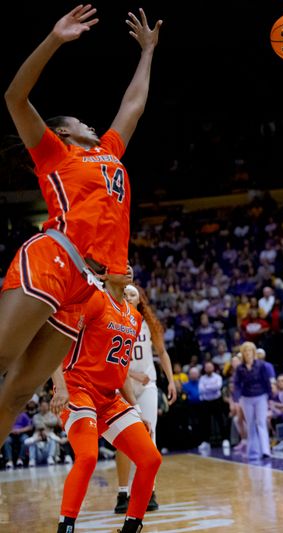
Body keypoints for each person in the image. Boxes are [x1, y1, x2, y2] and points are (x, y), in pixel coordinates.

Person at [0, 5, 161, 441]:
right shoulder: (56, 154)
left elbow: (134, 104)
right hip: (56, 257)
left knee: (16, 396)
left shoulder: (108, 151)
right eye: (78, 121)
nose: (90, 122)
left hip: (85, 282)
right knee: (1, 358)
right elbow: (14, 97)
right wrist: (54, 38)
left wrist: (148, 52)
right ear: (64, 133)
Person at [53, 271, 162, 533]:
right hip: (78, 389)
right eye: (119, 263)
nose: (127, 267)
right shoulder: (94, 299)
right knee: (88, 456)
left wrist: (134, 409)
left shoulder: (134, 318)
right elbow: (56, 341)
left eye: (129, 265)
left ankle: (131, 527)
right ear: (104, 273)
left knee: (150, 459)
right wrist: (60, 385)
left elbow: (121, 369)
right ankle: (65, 528)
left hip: (109, 398)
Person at [114, 283, 177, 515]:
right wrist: (131, 373)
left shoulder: (148, 324)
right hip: (122, 386)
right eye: (125, 294)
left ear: (140, 300)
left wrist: (170, 380)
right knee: (124, 440)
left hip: (148, 385)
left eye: (133, 294)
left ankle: (149, 490)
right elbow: (106, 357)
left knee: (150, 438)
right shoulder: (112, 320)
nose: (129, 297)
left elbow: (162, 352)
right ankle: (123, 493)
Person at [233, 341, 275, 461]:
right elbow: (237, 384)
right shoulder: (240, 368)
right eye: (245, 351)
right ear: (243, 353)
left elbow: (267, 381)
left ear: (253, 352)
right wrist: (236, 399)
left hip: (260, 396)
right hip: (246, 398)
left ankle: (265, 451)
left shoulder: (261, 365)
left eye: (250, 350)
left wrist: (270, 396)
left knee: (261, 422)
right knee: (250, 424)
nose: (248, 353)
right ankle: (253, 451)